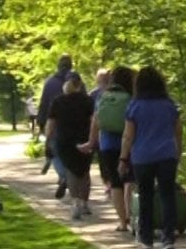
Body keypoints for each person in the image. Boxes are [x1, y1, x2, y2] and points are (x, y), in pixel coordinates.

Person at [120, 65, 183, 249]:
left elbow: (128, 135)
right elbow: (178, 131)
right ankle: (168, 236)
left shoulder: (134, 106)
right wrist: (177, 152)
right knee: (167, 195)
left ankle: (146, 237)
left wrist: (123, 158)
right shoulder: (169, 105)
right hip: (166, 154)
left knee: (145, 196)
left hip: (142, 156)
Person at [85, 66, 136, 234]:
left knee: (115, 183)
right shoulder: (131, 98)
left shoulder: (103, 97)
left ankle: (122, 222)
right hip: (127, 144)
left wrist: (92, 142)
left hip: (106, 145)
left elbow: (95, 122)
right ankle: (131, 214)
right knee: (130, 180)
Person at [45, 76, 96, 221]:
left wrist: (48, 141)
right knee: (84, 172)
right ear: (79, 86)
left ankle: (75, 203)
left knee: (71, 171)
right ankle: (85, 203)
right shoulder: (88, 101)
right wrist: (94, 139)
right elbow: (94, 121)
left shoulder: (57, 102)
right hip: (85, 139)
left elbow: (51, 124)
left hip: (64, 141)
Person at [37, 55, 82, 198]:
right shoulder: (77, 81)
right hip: (76, 125)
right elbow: (86, 101)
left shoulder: (50, 83)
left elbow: (44, 104)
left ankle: (63, 177)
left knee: (55, 152)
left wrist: (41, 122)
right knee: (74, 154)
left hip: (56, 124)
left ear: (58, 65)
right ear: (71, 65)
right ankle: (72, 180)